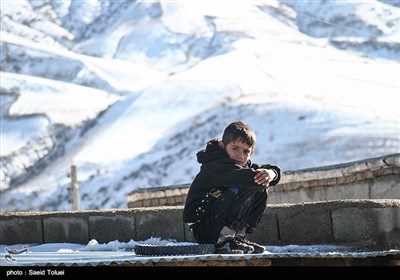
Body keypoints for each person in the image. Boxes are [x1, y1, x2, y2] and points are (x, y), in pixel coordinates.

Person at [183, 121, 281, 254]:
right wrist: (265, 176)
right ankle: (222, 240)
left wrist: (270, 173)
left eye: (246, 151)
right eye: (235, 149)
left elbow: (266, 171)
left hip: (213, 223)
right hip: (203, 227)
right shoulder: (216, 165)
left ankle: (237, 238)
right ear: (223, 146)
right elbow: (249, 179)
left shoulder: (242, 166)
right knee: (250, 184)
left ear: (251, 152)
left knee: (261, 185)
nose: (241, 155)